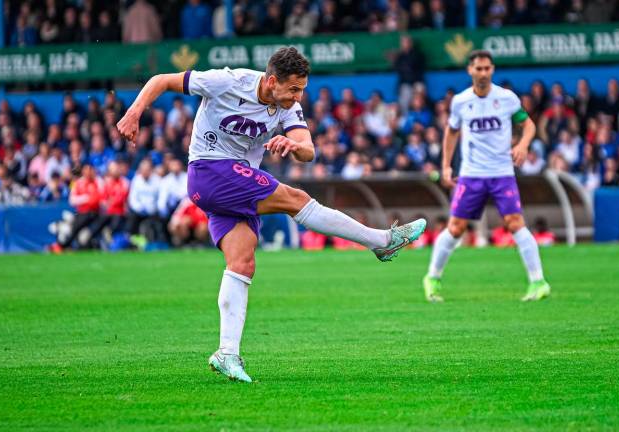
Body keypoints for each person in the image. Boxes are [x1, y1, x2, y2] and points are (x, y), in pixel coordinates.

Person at [117, 47, 426, 383]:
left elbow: (308, 150)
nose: (299, 96)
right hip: (208, 171)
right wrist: (134, 113)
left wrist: (295, 146)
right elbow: (162, 79)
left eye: (303, 89)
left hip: (235, 182)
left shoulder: (289, 107)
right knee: (295, 198)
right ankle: (380, 241)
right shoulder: (227, 81)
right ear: (272, 81)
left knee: (242, 264)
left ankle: (227, 354)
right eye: (294, 89)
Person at [422, 50, 551, 303]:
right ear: (470, 70)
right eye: (478, 69)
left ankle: (539, 282)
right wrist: (446, 165)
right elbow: (451, 132)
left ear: (492, 70)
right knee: (456, 228)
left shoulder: (506, 98)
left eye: (487, 68)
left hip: (502, 172)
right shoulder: (460, 101)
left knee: (516, 222)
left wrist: (524, 144)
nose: (483, 73)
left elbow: (528, 125)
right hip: (472, 175)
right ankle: (432, 278)